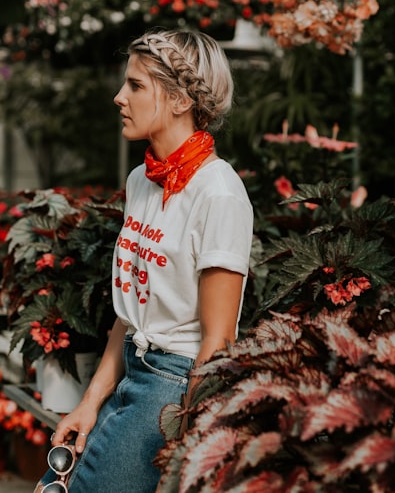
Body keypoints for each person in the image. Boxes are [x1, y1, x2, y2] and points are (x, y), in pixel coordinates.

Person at [35, 28, 254, 493]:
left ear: (179, 100)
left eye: (135, 86)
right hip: (132, 369)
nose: (119, 97)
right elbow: (130, 312)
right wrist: (90, 402)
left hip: (173, 385)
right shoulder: (141, 180)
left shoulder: (219, 193)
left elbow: (219, 340)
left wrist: (187, 440)